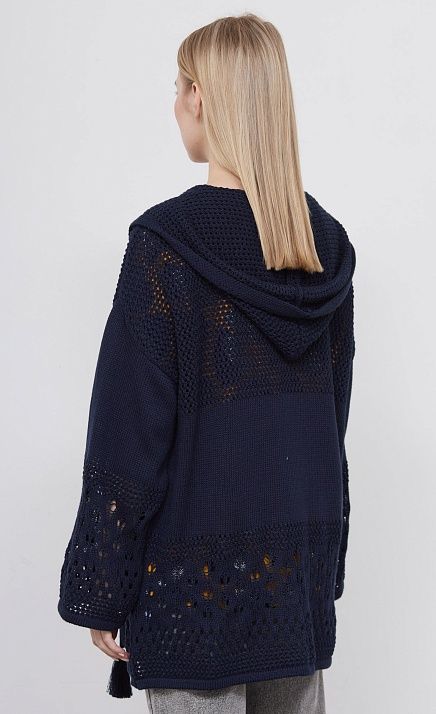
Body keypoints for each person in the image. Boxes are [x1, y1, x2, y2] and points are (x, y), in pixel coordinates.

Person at [57, 12, 356, 714]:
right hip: (292, 589)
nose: (174, 104)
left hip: (191, 601)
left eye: (177, 86)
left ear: (200, 96)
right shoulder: (323, 249)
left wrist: (104, 585)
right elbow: (329, 428)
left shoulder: (165, 247)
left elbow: (129, 436)